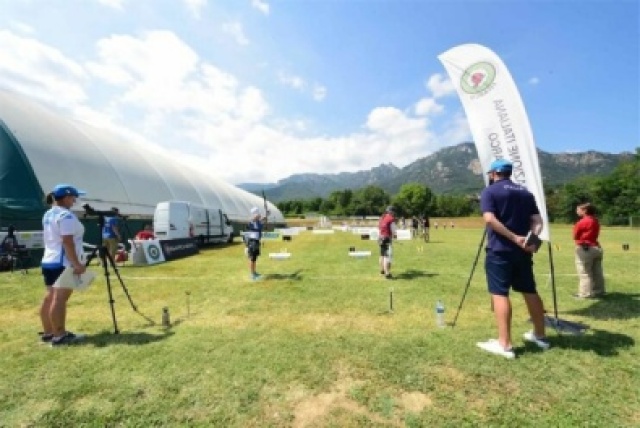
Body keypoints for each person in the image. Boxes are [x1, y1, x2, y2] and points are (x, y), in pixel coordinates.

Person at [477, 159, 549, 359]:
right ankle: (540, 335)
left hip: (500, 250)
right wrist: (530, 239)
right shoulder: (525, 192)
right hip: (523, 252)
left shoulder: (489, 192)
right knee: (529, 290)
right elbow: (537, 221)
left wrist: (513, 238)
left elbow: (490, 219)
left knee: (499, 293)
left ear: (493, 174)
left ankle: (505, 344)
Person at [40, 184, 87, 346]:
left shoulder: (48, 214)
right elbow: (67, 241)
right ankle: (59, 335)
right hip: (63, 262)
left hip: (49, 260)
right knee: (59, 299)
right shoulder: (66, 216)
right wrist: (77, 264)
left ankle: (49, 332)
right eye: (74, 197)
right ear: (67, 197)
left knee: (50, 297)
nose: (75, 201)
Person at [573, 202, 605, 298]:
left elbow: (575, 235)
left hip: (585, 248)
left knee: (584, 272)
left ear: (585, 210)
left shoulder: (582, 222)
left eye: (579, 209)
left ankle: (585, 293)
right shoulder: (595, 220)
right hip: (596, 247)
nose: (577, 211)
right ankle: (599, 291)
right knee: (597, 272)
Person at [244, 207, 264, 280]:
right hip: (252, 241)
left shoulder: (258, 222)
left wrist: (266, 215)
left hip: (256, 241)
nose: (259, 215)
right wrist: (257, 217)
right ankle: (252, 274)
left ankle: (254, 272)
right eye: (257, 213)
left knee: (255, 258)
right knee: (252, 258)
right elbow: (253, 220)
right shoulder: (251, 221)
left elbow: (261, 220)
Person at [378, 206, 396, 279]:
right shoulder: (391, 219)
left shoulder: (382, 218)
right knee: (387, 256)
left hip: (380, 238)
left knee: (382, 255)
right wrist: (394, 236)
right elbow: (393, 230)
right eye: (393, 211)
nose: (394, 213)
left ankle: (382, 270)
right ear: (391, 211)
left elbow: (379, 227)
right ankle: (387, 273)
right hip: (387, 238)